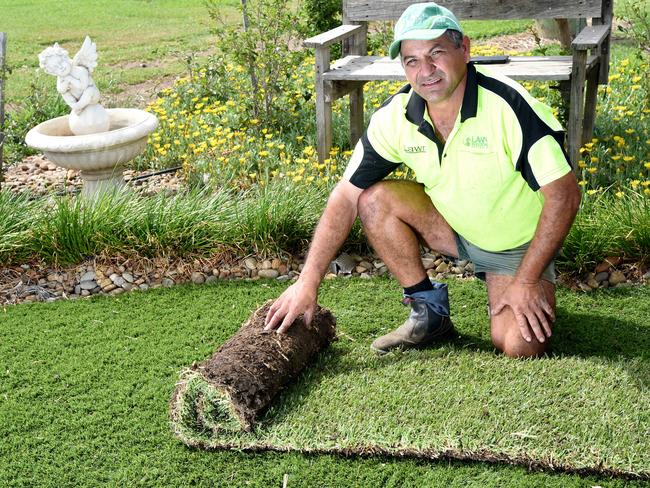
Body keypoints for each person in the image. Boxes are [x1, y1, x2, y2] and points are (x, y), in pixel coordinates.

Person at [265, 2, 581, 358]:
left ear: (464, 49)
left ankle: (516, 283)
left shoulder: (509, 106)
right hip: (456, 228)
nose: (425, 70)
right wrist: (307, 282)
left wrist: (525, 281)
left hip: (517, 245)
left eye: (436, 53)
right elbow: (344, 196)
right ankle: (429, 313)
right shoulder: (395, 117)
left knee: (518, 346)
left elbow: (565, 196)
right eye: (411, 60)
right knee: (373, 199)